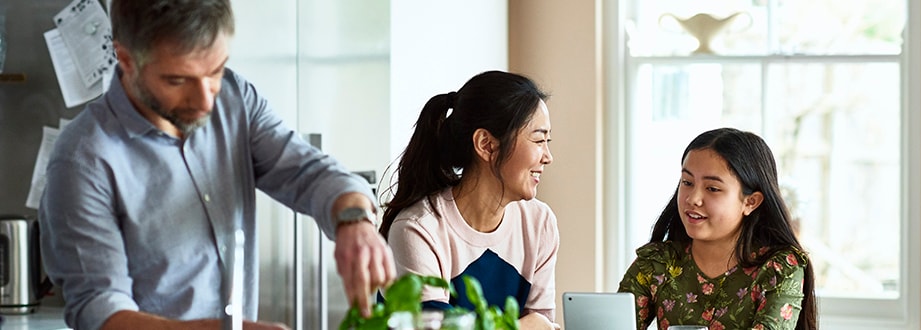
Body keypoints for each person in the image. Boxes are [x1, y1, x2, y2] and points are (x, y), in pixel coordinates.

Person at [37, 0, 396, 329]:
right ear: (126, 59)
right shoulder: (82, 160)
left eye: (216, 71)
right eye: (177, 80)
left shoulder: (235, 99)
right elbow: (100, 311)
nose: (205, 98)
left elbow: (309, 172)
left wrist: (355, 221)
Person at [378, 71, 560, 330]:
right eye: (539, 140)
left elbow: (543, 324)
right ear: (486, 144)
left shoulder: (539, 223)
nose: (547, 156)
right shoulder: (418, 229)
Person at [618, 128, 818, 330]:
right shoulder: (657, 262)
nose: (692, 198)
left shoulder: (778, 268)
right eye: (687, 182)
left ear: (750, 202)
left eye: (712, 188)